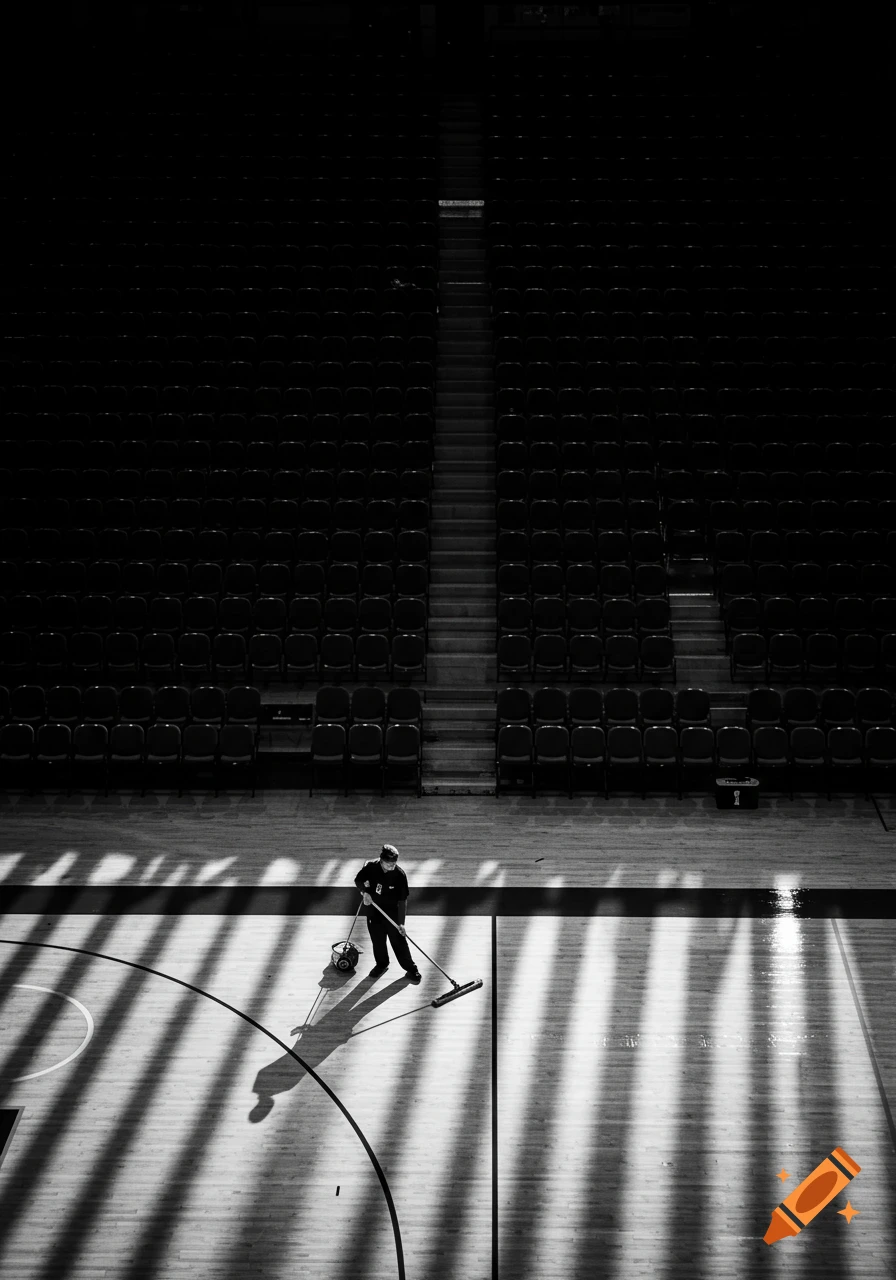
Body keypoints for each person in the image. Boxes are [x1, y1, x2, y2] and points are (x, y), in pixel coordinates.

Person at [353, 844, 422, 983]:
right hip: (374, 910)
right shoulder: (371, 867)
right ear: (381, 860)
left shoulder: (400, 875)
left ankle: (411, 968)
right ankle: (382, 964)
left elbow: (402, 901)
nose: (391, 866)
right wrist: (364, 892)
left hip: (392, 913)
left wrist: (401, 922)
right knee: (377, 941)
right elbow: (358, 880)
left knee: (399, 942)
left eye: (394, 863)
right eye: (388, 864)